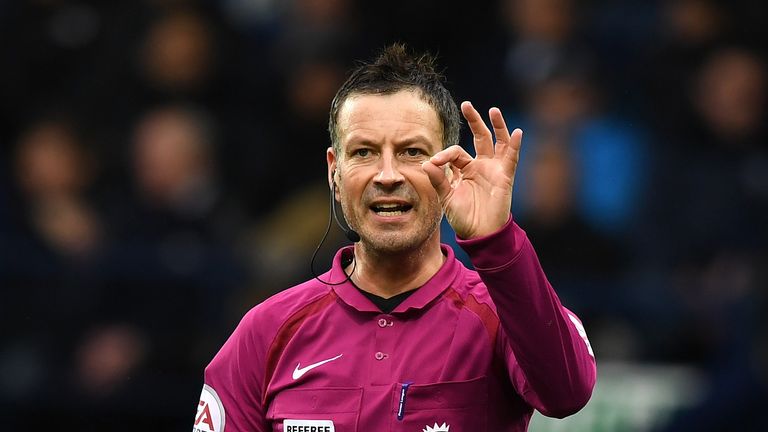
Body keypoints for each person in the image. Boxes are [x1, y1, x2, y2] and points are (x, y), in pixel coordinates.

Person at [193, 43, 596, 432]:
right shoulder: (265, 332)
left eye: (412, 152)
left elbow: (567, 394)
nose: (387, 176)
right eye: (364, 152)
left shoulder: (499, 316)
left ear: (452, 169)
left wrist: (497, 241)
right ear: (335, 171)